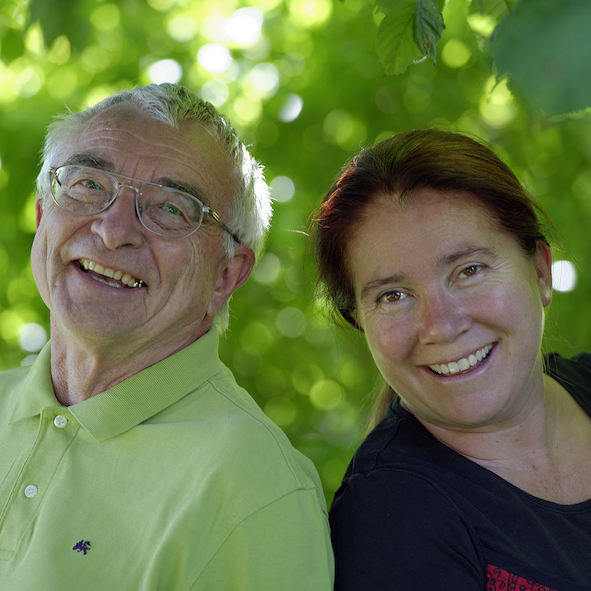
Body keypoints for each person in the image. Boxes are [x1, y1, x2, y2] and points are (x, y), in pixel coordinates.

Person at [0, 84, 334, 589]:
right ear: (45, 214)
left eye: (171, 209)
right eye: (89, 184)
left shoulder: (254, 487)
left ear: (226, 275)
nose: (113, 229)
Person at [313, 128, 591, 590]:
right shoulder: (390, 526)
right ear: (361, 322)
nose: (440, 326)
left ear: (540, 271)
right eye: (394, 295)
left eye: (469, 270)